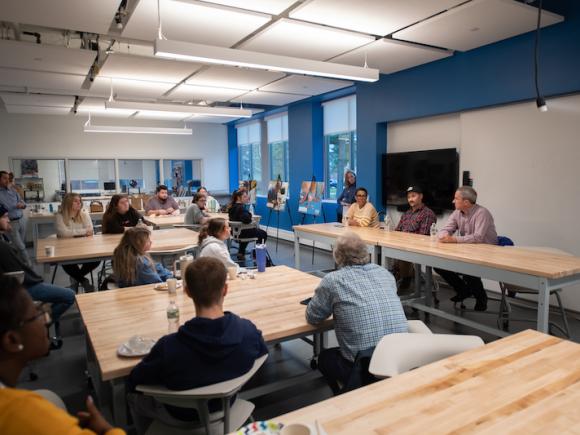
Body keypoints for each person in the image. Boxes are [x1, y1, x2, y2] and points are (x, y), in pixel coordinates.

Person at [127, 257, 268, 434]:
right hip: (228, 408)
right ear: (225, 289)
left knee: (132, 397)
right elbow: (262, 352)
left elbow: (135, 380)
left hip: (178, 417)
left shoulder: (169, 347)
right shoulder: (248, 332)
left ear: (187, 292)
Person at [0, 275, 125, 435]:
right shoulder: (25, 415)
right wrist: (108, 429)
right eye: (37, 315)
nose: (46, 319)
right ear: (11, 340)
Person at [305, 233, 407, 395]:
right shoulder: (385, 274)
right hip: (400, 359)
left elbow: (313, 317)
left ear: (337, 256)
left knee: (324, 358)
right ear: (366, 252)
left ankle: (348, 393)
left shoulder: (333, 281)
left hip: (363, 367)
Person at [0, 205, 74, 346]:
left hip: (15, 286)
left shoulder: (3, 239)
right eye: (4, 216)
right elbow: (20, 274)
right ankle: (42, 324)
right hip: (20, 288)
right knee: (69, 296)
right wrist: (35, 279)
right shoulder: (2, 246)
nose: (8, 219)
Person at [435, 186, 498, 311]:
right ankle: (463, 290)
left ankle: (481, 298)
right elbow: (446, 229)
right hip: (468, 250)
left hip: (487, 252)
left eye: (456, 198)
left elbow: (478, 237)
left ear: (466, 202)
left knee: (469, 268)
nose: (453, 201)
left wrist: (454, 239)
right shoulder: (457, 212)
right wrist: (443, 236)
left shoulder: (482, 213)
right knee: (438, 264)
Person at [394, 186, 437, 291]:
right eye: (408, 197)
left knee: (400, 256)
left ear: (421, 196)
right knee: (387, 253)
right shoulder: (407, 213)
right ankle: (408, 277)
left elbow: (423, 237)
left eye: (413, 196)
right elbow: (397, 231)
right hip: (404, 246)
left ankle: (406, 280)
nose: (410, 199)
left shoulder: (427, 214)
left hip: (418, 248)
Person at [55, 193, 100, 292]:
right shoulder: (60, 215)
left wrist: (72, 233)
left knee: (97, 259)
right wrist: (83, 232)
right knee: (66, 261)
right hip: (66, 248)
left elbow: (91, 230)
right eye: (75, 201)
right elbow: (63, 233)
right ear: (68, 203)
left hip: (84, 247)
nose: (79, 203)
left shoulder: (84, 213)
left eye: (80, 201)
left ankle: (76, 279)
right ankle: (83, 280)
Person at [227, 189, 267, 261]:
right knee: (263, 233)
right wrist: (250, 214)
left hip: (234, 232)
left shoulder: (232, 207)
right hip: (242, 233)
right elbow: (247, 220)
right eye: (245, 197)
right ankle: (257, 255)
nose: (247, 198)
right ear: (239, 198)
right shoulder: (241, 208)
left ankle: (241, 252)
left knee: (247, 230)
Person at [0, 170, 29, 265]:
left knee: (20, 245)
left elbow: (23, 202)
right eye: (4, 178)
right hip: (11, 223)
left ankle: (18, 265)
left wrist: (22, 205)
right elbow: (5, 207)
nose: (7, 180)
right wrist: (15, 205)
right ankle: (29, 267)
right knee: (21, 246)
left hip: (21, 219)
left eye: (8, 178)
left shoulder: (13, 190)